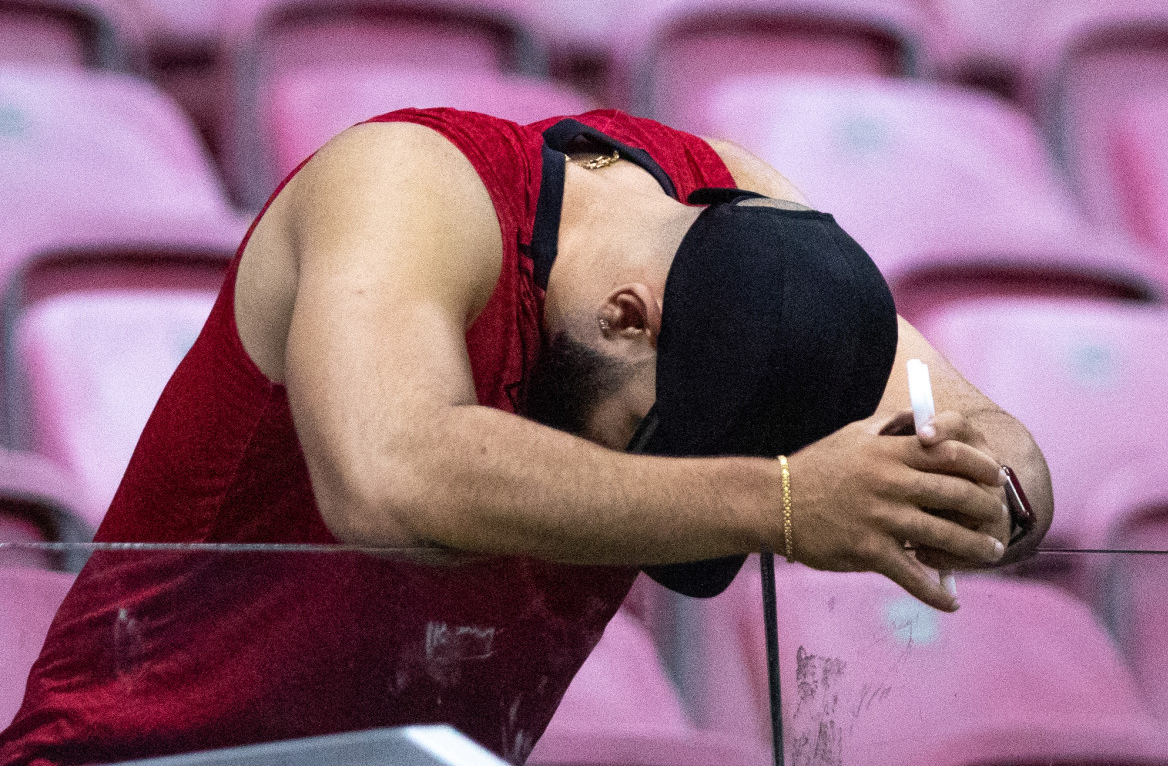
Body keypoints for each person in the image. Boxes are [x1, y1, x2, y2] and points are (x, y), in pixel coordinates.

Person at [0, 108, 1051, 765]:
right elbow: (388, 478)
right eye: (648, 438)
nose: (656, 494)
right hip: (134, 756)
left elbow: (997, 445)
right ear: (627, 315)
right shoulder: (406, 182)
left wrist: (977, 499)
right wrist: (776, 500)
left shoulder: (742, 210)